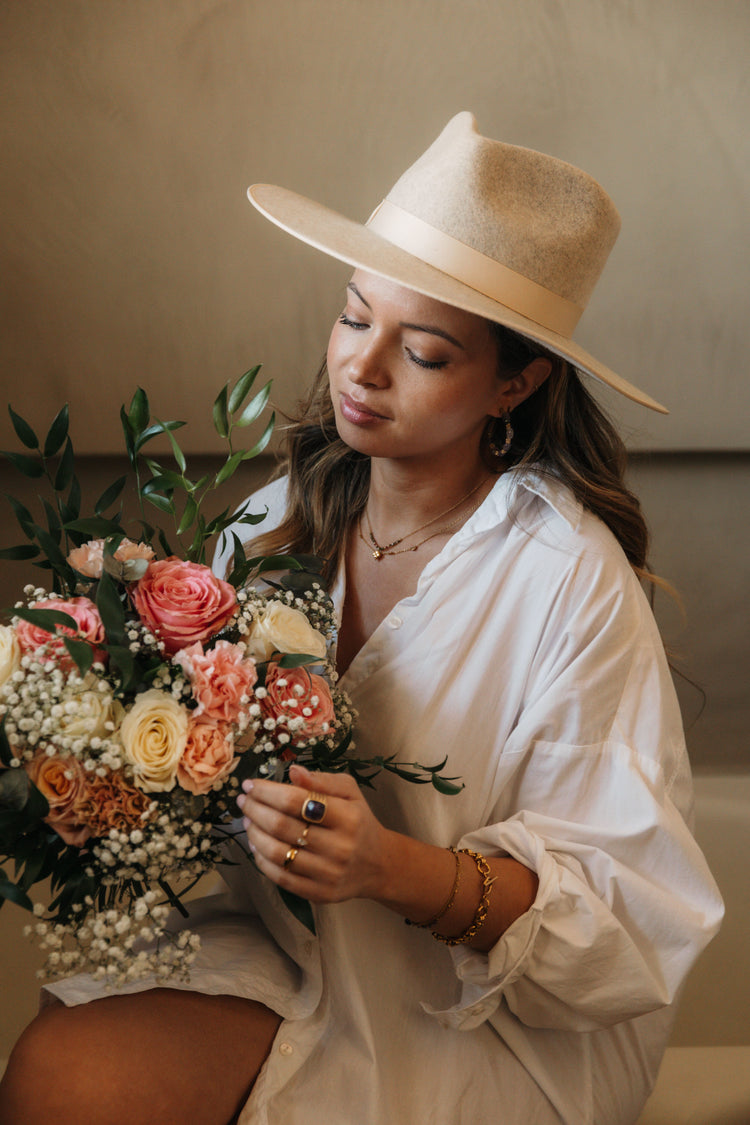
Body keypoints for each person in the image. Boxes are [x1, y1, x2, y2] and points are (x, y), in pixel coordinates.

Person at [0, 112, 723, 1125]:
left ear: (515, 381)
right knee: (64, 1061)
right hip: (271, 946)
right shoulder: (278, 517)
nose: (362, 367)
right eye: (354, 317)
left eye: (423, 351)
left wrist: (393, 868)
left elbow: (625, 928)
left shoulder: (567, 579)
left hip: (475, 1016)